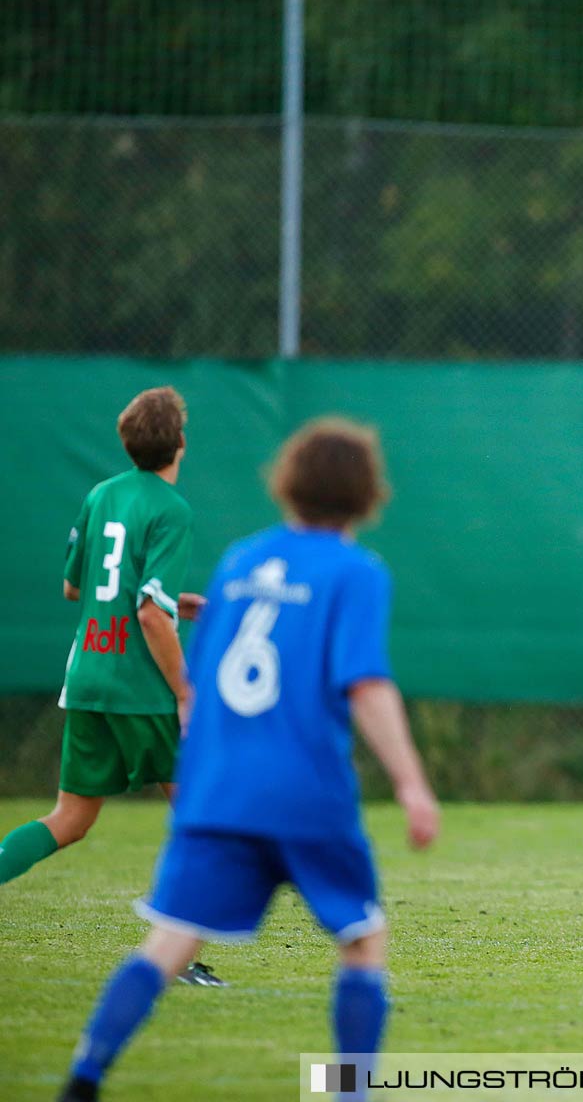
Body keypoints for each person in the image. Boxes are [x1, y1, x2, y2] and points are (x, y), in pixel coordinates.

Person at [55, 418, 440, 1102]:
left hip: (218, 792)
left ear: (287, 484)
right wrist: (411, 785)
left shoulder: (237, 562)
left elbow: (197, 691)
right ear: (366, 495)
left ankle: (84, 1076)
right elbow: (367, 685)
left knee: (171, 942)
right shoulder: (356, 571)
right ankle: (353, 1092)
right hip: (303, 792)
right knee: (361, 937)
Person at [0, 388, 220, 986]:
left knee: (69, 818)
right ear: (179, 443)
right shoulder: (171, 509)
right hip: (139, 686)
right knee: (200, 819)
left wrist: (174, 600)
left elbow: (77, 589)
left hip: (88, 677)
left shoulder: (102, 495)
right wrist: (184, 691)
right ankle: (180, 958)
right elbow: (150, 614)